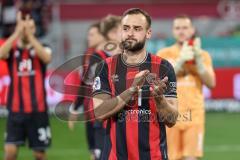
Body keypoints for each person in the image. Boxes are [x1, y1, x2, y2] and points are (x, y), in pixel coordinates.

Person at [92, 8, 178, 160]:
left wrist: (159, 99)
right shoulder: (105, 67)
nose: (130, 33)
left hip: (154, 156)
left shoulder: (163, 67)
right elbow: (99, 113)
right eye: (126, 28)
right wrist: (132, 89)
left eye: (137, 29)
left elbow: (171, 120)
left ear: (148, 33)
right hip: (115, 156)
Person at [157, 15, 216, 160]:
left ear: (192, 30)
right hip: (170, 114)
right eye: (178, 28)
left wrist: (199, 63)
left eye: (185, 28)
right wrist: (180, 61)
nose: (181, 31)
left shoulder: (202, 54)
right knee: (170, 157)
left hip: (194, 115)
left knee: (191, 158)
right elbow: (159, 81)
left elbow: (211, 83)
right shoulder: (164, 54)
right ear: (173, 31)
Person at [0, 12, 52, 160]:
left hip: (38, 110)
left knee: (39, 155)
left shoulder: (43, 47)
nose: (27, 30)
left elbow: (47, 58)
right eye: (24, 28)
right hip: (16, 111)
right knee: (10, 152)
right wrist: (17, 32)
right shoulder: (12, 50)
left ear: (35, 29)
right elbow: (1, 54)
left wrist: (30, 36)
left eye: (31, 27)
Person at [68, 15, 121, 160]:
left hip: (123, 117)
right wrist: (76, 107)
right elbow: (86, 83)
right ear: (111, 34)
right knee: (99, 154)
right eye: (122, 29)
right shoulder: (96, 56)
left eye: (92, 34)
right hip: (100, 115)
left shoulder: (129, 54)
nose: (127, 33)